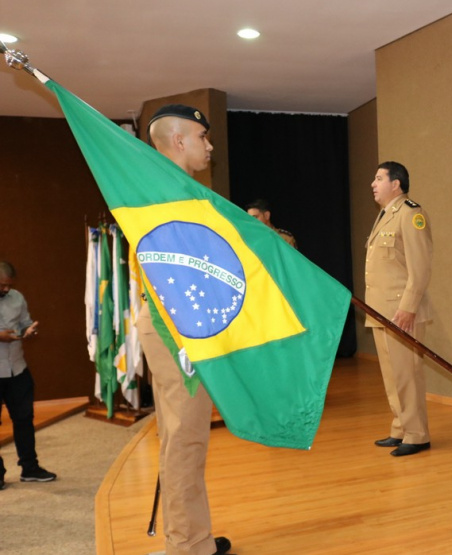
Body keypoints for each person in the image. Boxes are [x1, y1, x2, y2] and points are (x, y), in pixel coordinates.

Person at [143, 105, 232, 555]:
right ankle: (184, 547)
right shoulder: (165, 193)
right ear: (179, 141)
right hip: (175, 326)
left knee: (184, 438)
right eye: (203, 136)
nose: (209, 145)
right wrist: (186, 338)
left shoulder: (173, 189)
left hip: (180, 322)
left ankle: (193, 537)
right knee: (186, 440)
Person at [365, 161, 433, 457]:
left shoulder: (411, 214)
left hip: (402, 312)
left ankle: (417, 434)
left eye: (378, 178)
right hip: (381, 310)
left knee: (407, 375)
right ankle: (401, 428)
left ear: (396, 184)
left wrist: (408, 308)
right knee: (392, 375)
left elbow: (420, 267)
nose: (373, 183)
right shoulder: (385, 215)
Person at [0, 261, 56, 491]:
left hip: (17, 368)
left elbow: (24, 322)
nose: (5, 289)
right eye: (1, 285)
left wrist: (28, 330)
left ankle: (30, 468)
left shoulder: (17, 297)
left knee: (24, 419)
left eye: (8, 286)